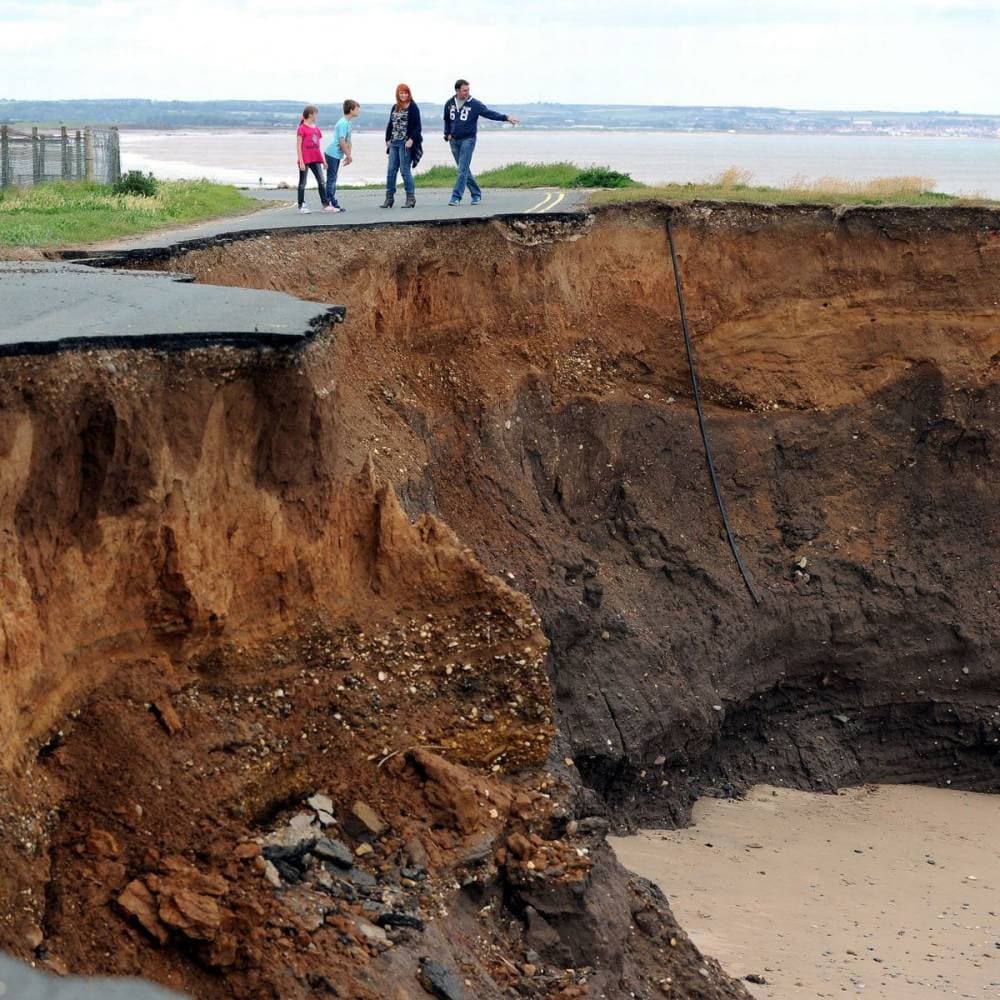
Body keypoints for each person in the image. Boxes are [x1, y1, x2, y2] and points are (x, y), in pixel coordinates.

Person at [443, 79, 519, 206]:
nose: (467, 92)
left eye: (468, 90)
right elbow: (446, 120)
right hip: (454, 141)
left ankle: (456, 197)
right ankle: (476, 194)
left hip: (468, 139)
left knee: (462, 170)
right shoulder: (449, 103)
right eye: (464, 90)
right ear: (457, 90)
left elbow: (489, 113)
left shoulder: (475, 104)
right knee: (464, 169)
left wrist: (505, 118)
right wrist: (447, 134)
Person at [381, 84, 422, 209]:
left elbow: (417, 127)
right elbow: (391, 124)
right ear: (398, 94)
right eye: (401, 93)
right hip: (394, 142)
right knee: (391, 170)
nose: (403, 95)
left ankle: (410, 198)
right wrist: (387, 138)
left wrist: (411, 139)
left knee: (404, 170)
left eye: (405, 93)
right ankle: (389, 198)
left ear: (409, 93)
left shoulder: (413, 107)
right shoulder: (395, 107)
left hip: (406, 143)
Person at [296, 105, 334, 214]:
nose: (317, 116)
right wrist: (301, 161)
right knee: (303, 183)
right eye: (315, 114)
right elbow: (298, 146)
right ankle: (301, 205)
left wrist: (324, 161)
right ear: (310, 114)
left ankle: (325, 204)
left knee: (322, 182)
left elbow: (317, 147)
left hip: (316, 159)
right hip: (305, 160)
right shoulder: (301, 128)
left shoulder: (316, 129)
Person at [324, 99, 360, 212]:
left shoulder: (349, 123)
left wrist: (349, 155)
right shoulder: (343, 123)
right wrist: (348, 156)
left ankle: (331, 201)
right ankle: (329, 202)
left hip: (337, 154)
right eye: (357, 109)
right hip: (332, 153)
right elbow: (341, 141)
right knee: (332, 178)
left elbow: (349, 141)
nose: (359, 111)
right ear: (351, 110)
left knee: (334, 177)